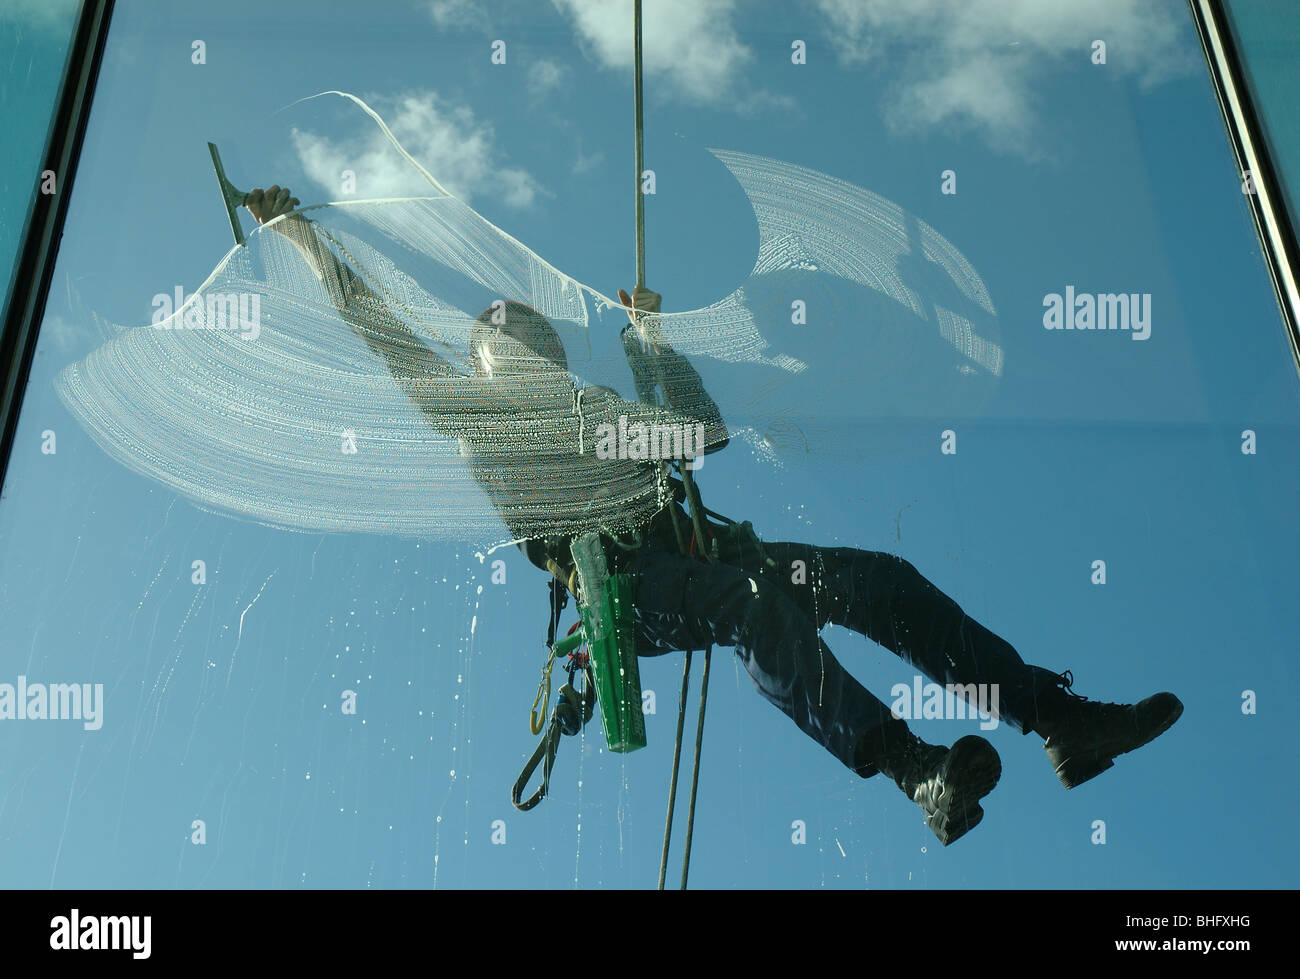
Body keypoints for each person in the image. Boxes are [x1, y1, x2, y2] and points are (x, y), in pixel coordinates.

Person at [244, 185, 1183, 846]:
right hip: (623, 587)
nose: (524, 349)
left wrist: (650, 343)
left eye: (535, 338)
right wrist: (303, 239)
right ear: (485, 361)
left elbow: (698, 434)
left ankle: (1057, 718)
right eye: (506, 341)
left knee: (873, 582)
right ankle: (911, 768)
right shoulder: (482, 424)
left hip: (712, 549)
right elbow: (385, 333)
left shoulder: (598, 417)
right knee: (746, 605)